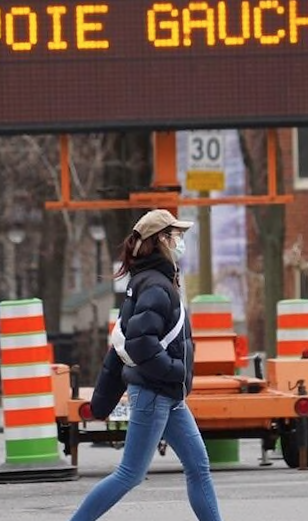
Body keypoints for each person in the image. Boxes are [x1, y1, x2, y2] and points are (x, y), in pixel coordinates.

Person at [72, 209, 223, 521]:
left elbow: (125, 343)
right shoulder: (155, 285)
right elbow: (141, 344)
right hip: (156, 393)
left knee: (199, 467)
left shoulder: (152, 281)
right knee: (130, 474)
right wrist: (174, 371)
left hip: (166, 395)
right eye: (176, 235)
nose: (181, 241)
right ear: (161, 240)